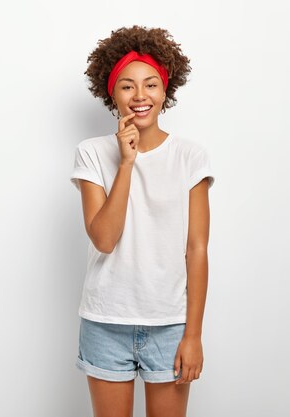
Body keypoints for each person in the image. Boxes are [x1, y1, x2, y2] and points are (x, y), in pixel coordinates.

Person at [69, 25, 215, 417]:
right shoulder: (93, 154)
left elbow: (196, 248)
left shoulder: (190, 157)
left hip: (169, 324)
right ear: (111, 93)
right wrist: (127, 162)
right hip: (105, 321)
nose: (140, 96)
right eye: (127, 86)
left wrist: (194, 335)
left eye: (150, 85)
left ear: (165, 91)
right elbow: (103, 238)